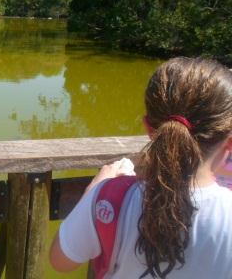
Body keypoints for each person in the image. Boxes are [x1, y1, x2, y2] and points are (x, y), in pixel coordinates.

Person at [50, 57, 232, 278]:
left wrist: (93, 192)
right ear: (229, 142)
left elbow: (61, 260)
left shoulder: (109, 197)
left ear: (149, 128)